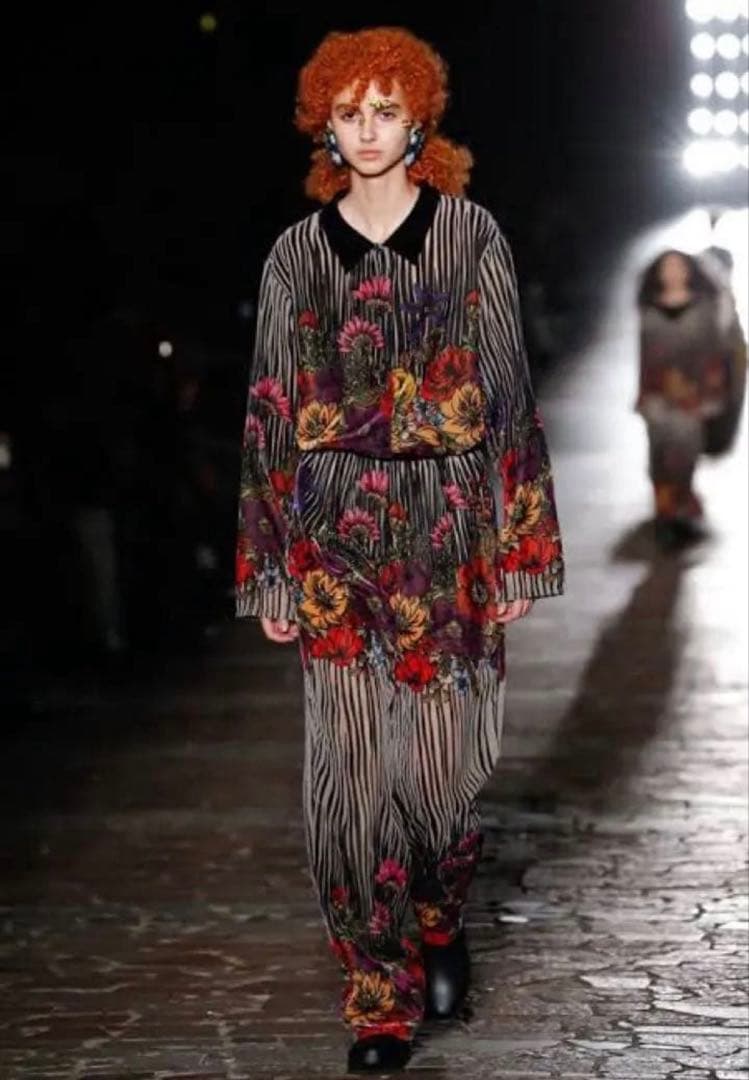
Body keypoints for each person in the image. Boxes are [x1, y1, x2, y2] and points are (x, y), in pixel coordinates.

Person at [235, 27, 564, 1073]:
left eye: (386, 109)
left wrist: (522, 544)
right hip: (332, 541)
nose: (368, 129)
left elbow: (505, 391)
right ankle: (376, 998)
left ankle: (434, 914)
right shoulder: (294, 257)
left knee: (441, 782)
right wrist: (269, 566)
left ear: (418, 118)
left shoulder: (469, 236)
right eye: (349, 112)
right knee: (345, 792)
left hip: (449, 533)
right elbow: (269, 412)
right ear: (323, 125)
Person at [637, 249, 746, 547]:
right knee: (659, 456)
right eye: (667, 268)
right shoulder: (650, 310)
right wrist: (645, 394)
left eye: (678, 267)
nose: (673, 273)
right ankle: (665, 513)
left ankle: (678, 513)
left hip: (691, 398)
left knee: (684, 455)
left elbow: (717, 355)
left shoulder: (705, 309)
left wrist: (709, 394)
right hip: (658, 397)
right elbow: (645, 357)